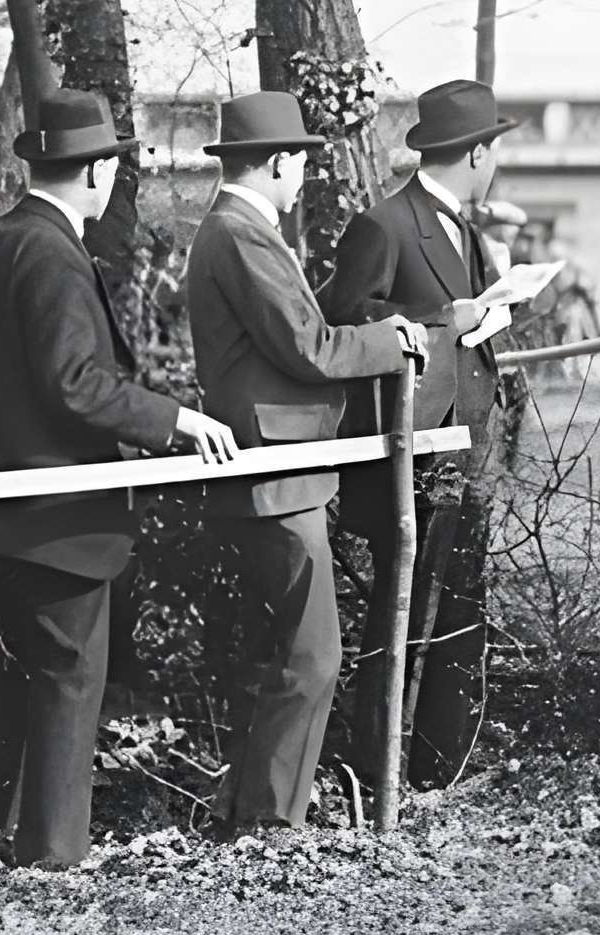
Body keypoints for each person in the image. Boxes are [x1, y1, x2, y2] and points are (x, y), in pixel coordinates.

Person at [0, 87, 239, 870]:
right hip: (49, 510)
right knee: (67, 671)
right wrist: (176, 420)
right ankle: (52, 855)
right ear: (93, 174)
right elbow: (76, 385)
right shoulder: (54, 255)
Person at [182, 93, 432, 841]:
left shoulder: (237, 231)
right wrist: (394, 340)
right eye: (301, 167)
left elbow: (300, 336)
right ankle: (270, 822)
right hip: (274, 471)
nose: (303, 183)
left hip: (281, 466)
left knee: (288, 652)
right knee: (312, 653)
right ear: (280, 161)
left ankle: (254, 811)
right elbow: (312, 348)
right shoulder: (241, 234)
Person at [322, 76, 523, 794]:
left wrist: (492, 314)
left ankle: (445, 763)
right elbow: (347, 317)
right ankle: (380, 765)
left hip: (467, 440)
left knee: (463, 602)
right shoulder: (387, 224)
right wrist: (446, 317)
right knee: (405, 608)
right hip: (415, 444)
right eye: (493, 149)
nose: (495, 162)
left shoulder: (462, 226)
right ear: (473, 154)